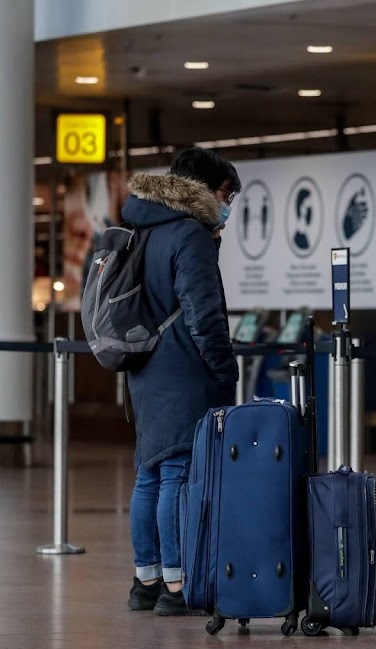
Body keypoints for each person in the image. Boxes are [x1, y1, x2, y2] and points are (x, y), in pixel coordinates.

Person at [122, 148, 240, 616]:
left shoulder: (140, 225)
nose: (228, 204)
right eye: (226, 194)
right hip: (182, 367)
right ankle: (176, 585)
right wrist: (224, 369)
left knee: (149, 472)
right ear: (205, 190)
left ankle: (145, 580)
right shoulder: (189, 234)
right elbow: (203, 314)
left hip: (144, 365)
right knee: (176, 472)